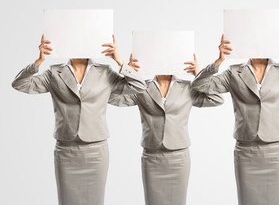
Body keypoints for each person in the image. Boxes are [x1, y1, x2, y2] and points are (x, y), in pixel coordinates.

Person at [12, 34, 147, 205]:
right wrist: (38, 62)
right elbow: (20, 84)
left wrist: (120, 62)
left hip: (96, 152)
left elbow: (140, 87)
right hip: (66, 150)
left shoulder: (105, 72)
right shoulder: (54, 72)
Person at [191, 34, 279, 205]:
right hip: (246, 150)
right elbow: (200, 86)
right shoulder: (233, 72)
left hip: (276, 151)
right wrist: (218, 61)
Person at [108, 54, 224, 205]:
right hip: (152, 157)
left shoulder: (188, 87)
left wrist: (198, 75)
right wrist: (129, 74)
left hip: (179, 158)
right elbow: (108, 97)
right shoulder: (142, 87)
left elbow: (216, 99)